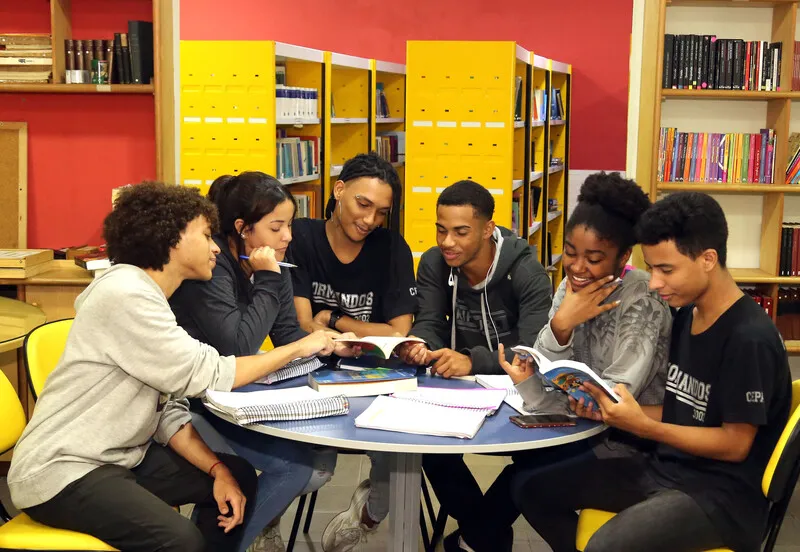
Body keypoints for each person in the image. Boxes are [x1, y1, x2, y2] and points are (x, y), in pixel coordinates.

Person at [7, 182, 337, 552]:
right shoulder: (125, 295)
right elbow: (209, 373)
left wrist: (217, 469)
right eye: (206, 235)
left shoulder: (152, 296)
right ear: (172, 238)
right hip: (63, 470)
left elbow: (168, 409)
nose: (215, 247)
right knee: (179, 540)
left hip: (121, 458)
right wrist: (299, 348)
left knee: (238, 476)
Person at [510, 191, 792, 552]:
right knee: (530, 489)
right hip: (667, 468)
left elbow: (736, 445)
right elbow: (685, 409)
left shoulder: (748, 338)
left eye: (666, 270)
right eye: (652, 268)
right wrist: (615, 412)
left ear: (708, 259)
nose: (655, 283)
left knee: (604, 546)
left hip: (721, 497)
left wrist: (643, 426)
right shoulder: (690, 314)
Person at [451, 172, 668, 552]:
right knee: (519, 463)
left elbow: (615, 401)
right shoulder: (569, 289)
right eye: (570, 252)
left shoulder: (642, 300)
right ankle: (479, 538)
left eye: (594, 258)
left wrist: (559, 396)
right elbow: (544, 384)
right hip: (581, 429)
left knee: (527, 479)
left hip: (632, 444)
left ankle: (477, 539)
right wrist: (562, 326)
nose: (578, 268)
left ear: (624, 257)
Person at [171, 172, 353, 552]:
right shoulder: (214, 266)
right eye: (277, 227)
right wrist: (268, 280)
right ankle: (226, 543)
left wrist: (331, 344)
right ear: (242, 228)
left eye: (289, 225)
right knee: (294, 468)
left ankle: (220, 529)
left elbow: (288, 335)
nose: (288, 236)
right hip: (192, 403)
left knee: (316, 463)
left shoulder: (275, 266)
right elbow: (237, 344)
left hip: (236, 394)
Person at [396, 179, 552, 551]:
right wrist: (421, 344)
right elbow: (430, 320)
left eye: (460, 232)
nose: (447, 242)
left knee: (536, 465)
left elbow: (531, 351)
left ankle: (475, 537)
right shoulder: (435, 262)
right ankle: (484, 536)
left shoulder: (527, 272)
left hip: (516, 392)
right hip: (458, 389)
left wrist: (472, 360)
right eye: (441, 229)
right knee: (429, 452)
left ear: (487, 229)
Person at [286, 152, 418, 552]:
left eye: (381, 212)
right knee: (310, 473)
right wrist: (336, 329)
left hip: (379, 376)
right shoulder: (302, 237)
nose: (370, 220)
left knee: (400, 470)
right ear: (339, 190)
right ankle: (267, 519)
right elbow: (301, 324)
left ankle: (366, 516)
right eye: (363, 205)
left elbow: (398, 331)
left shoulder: (392, 246)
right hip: (312, 374)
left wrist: (337, 320)